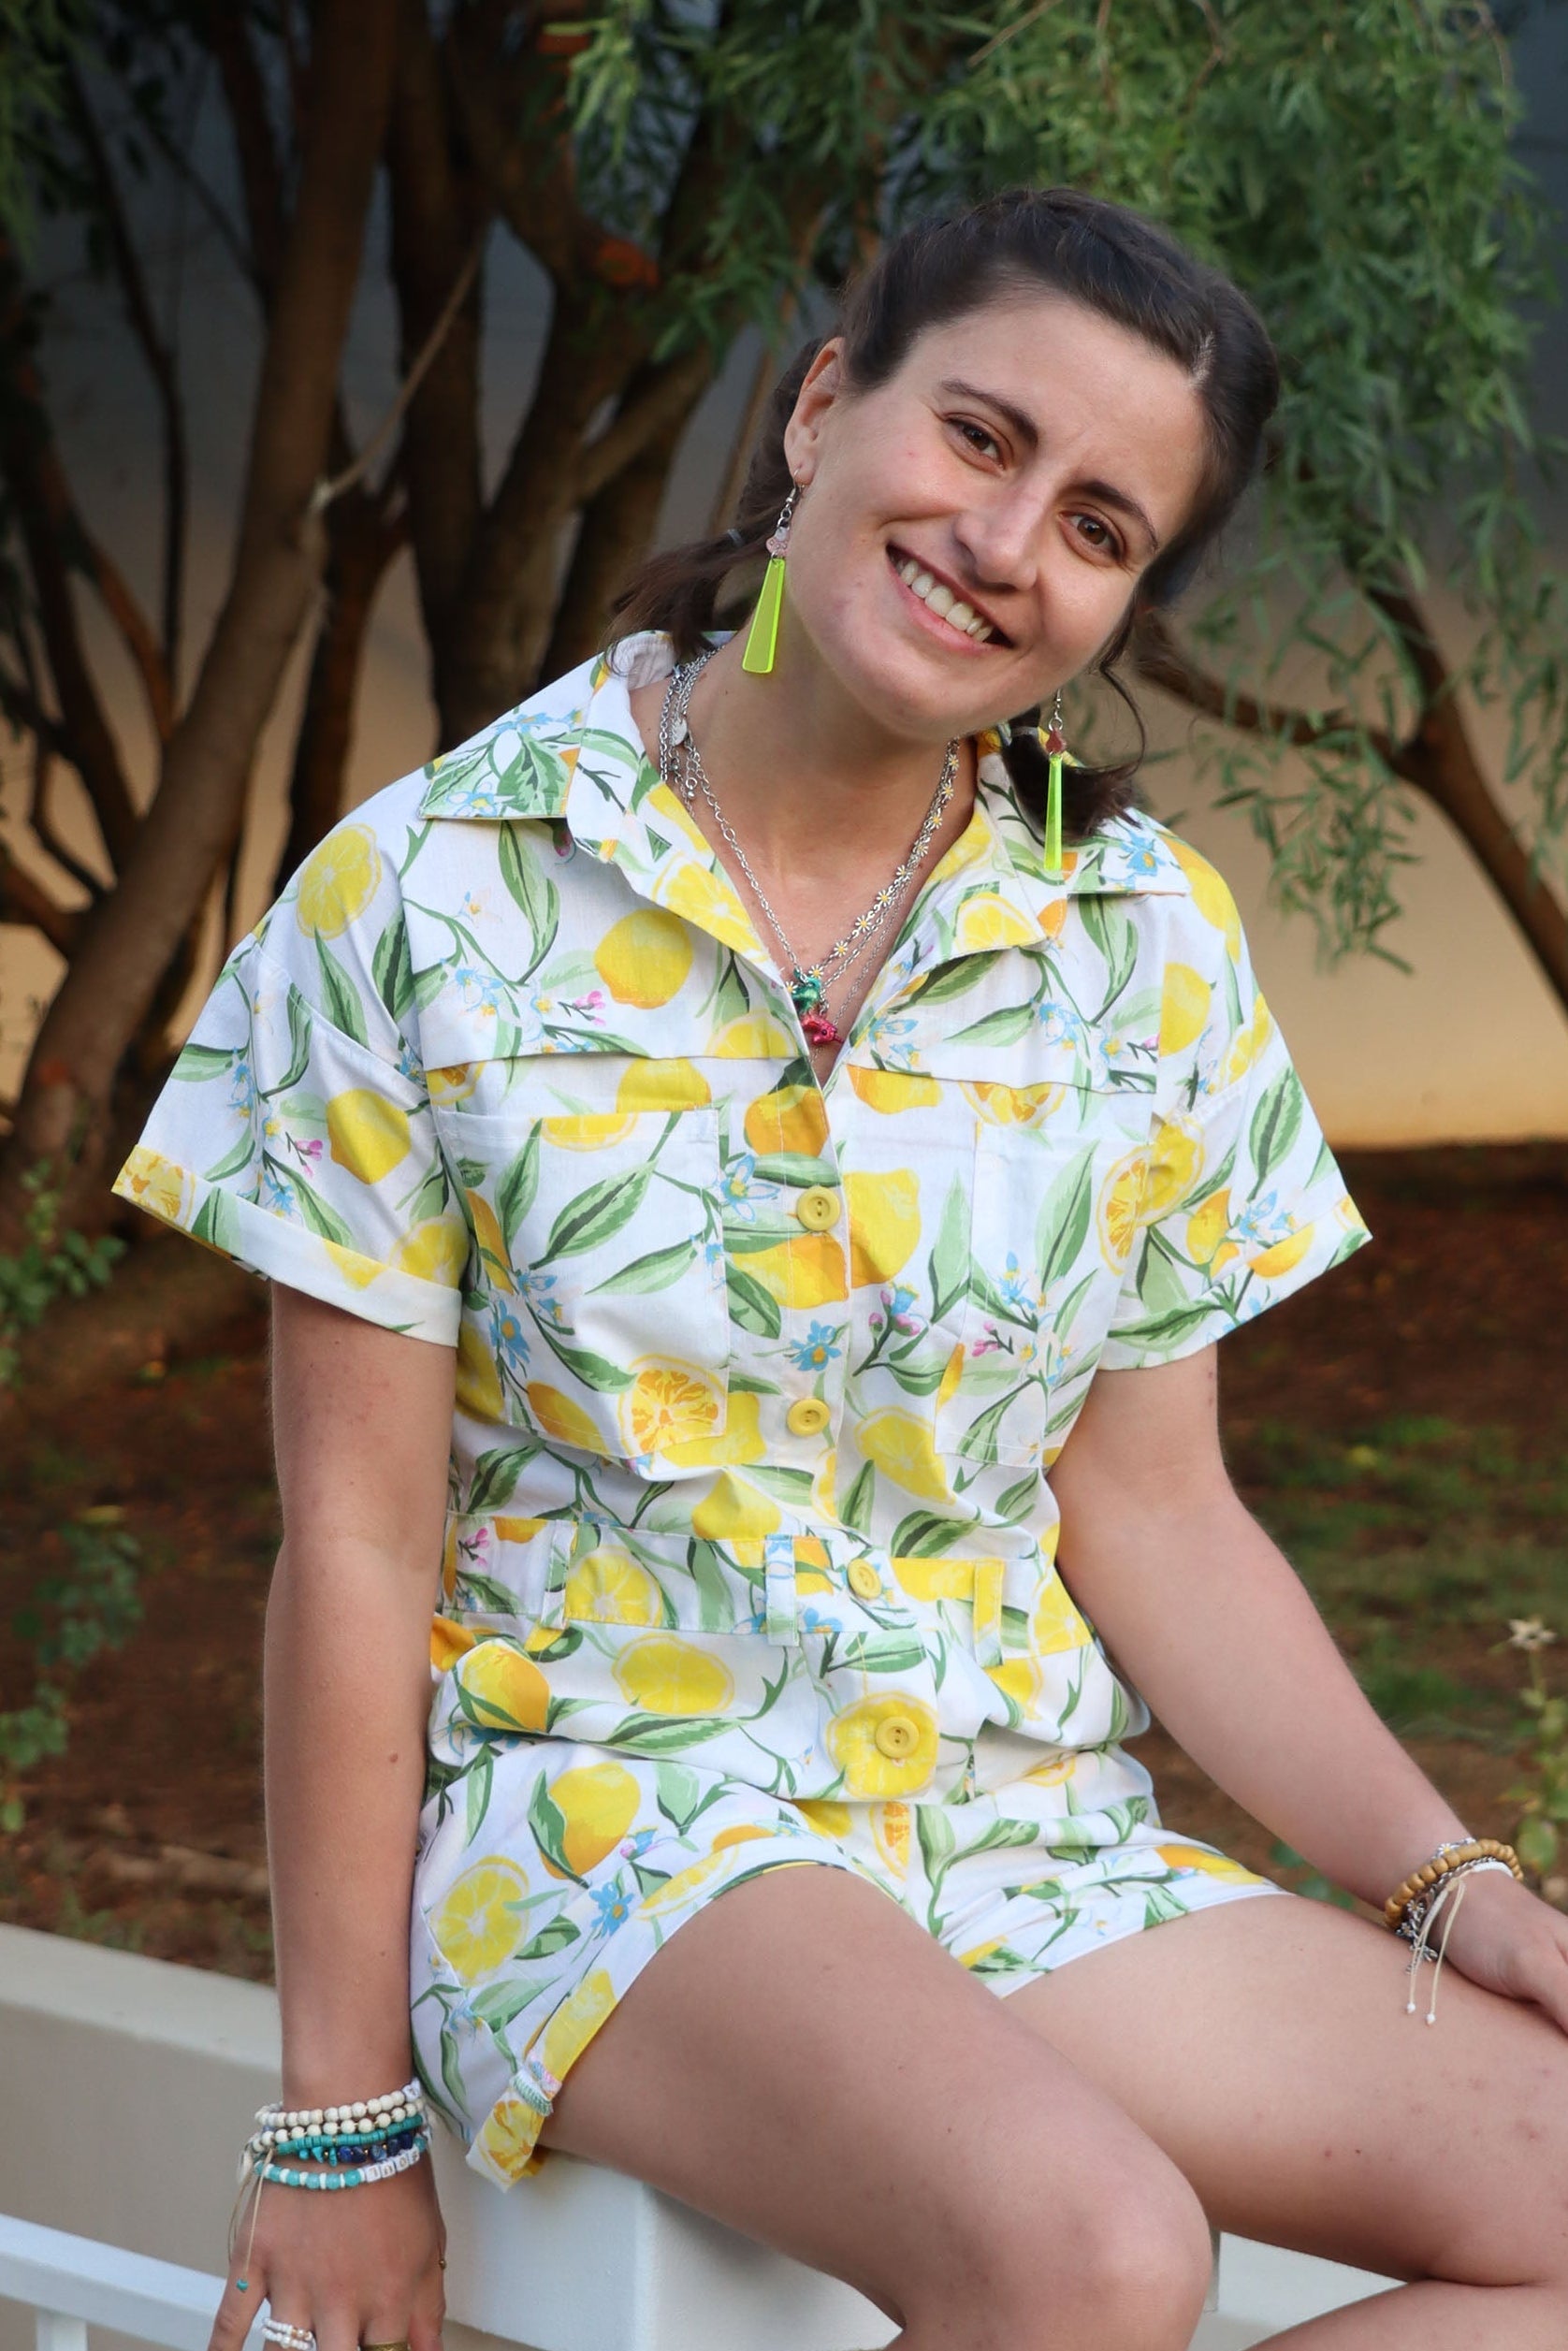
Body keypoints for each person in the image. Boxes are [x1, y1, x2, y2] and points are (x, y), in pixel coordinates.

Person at [117, 188, 1568, 2351]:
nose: (1006, 541)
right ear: (820, 409)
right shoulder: (426, 896)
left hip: (1008, 1830)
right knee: (1093, 2251)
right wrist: (336, 2122)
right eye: (980, 436)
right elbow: (353, 1541)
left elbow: (1155, 1511)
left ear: (1123, 605)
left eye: (1098, 527)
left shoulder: (1138, 942)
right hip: (607, 1819)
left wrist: (1447, 1882)